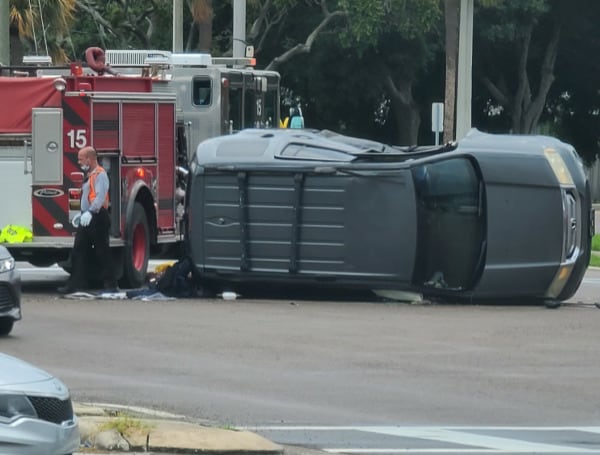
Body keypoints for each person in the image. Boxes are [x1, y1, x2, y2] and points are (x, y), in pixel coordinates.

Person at [58, 147, 118, 294]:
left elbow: (100, 197)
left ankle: (111, 284)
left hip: (98, 217)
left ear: (89, 159)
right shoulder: (90, 175)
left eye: (81, 159)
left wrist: (90, 212)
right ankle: (75, 284)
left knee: (101, 251)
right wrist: (82, 213)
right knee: (78, 250)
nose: (79, 162)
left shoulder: (100, 175)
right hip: (88, 216)